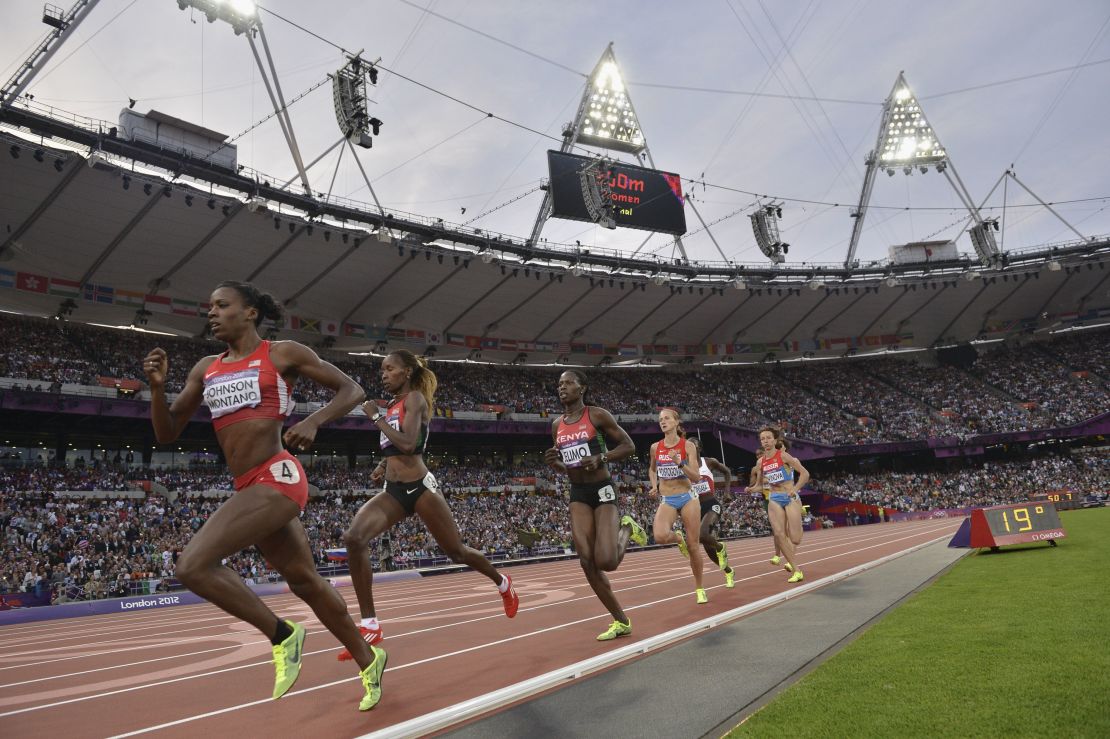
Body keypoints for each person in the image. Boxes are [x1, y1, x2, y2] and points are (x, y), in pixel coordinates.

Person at [143, 281, 385, 711]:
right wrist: (158, 389)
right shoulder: (206, 368)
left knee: (191, 565)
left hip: (277, 475)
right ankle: (370, 661)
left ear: (250, 311)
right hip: (248, 484)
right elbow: (166, 433)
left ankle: (284, 635)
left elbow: (352, 390)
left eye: (222, 305)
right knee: (304, 580)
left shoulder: (281, 353)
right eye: (209, 306)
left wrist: (313, 421)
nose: (212, 313)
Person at [338, 350, 519, 660]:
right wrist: (384, 465)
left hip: (421, 488)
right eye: (382, 369)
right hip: (394, 490)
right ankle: (370, 624)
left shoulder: (414, 400)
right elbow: (400, 447)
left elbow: (409, 445)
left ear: (406, 372)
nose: (383, 374)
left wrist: (376, 417)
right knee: (354, 538)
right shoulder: (395, 404)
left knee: (456, 551)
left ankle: (503, 582)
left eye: (390, 368)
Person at [543, 370, 645, 641]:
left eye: (567, 383)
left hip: (602, 489)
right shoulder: (556, 425)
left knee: (607, 562)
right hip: (578, 492)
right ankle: (621, 621)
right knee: (586, 561)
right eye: (559, 384)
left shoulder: (597, 415)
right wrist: (557, 464)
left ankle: (626, 529)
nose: (561, 387)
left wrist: (603, 457)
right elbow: (569, 465)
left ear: (582, 388)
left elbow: (629, 445)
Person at [649, 408, 706, 603]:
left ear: (676, 422)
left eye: (666, 419)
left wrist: (679, 463)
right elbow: (652, 468)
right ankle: (677, 537)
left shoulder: (688, 446)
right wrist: (654, 484)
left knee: (693, 546)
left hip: (688, 497)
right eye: (660, 420)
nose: (662, 422)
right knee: (660, 536)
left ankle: (699, 588)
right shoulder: (655, 447)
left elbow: (697, 477)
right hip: (668, 498)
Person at [747, 427, 810, 584]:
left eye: (768, 438)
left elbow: (805, 474)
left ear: (775, 440)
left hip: (790, 496)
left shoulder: (784, 456)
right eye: (763, 439)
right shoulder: (761, 462)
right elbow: (760, 485)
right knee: (779, 534)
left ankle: (798, 529)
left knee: (794, 538)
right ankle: (797, 570)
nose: (766, 441)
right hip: (774, 498)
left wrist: (794, 489)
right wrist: (751, 489)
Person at [690, 437, 735, 589]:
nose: (690, 447)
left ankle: (721, 547)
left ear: (699, 448)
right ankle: (729, 571)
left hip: (711, 503)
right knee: (708, 548)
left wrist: (727, 492)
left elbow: (727, 471)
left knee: (703, 535)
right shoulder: (683, 466)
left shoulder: (709, 462)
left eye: (693, 444)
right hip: (695, 508)